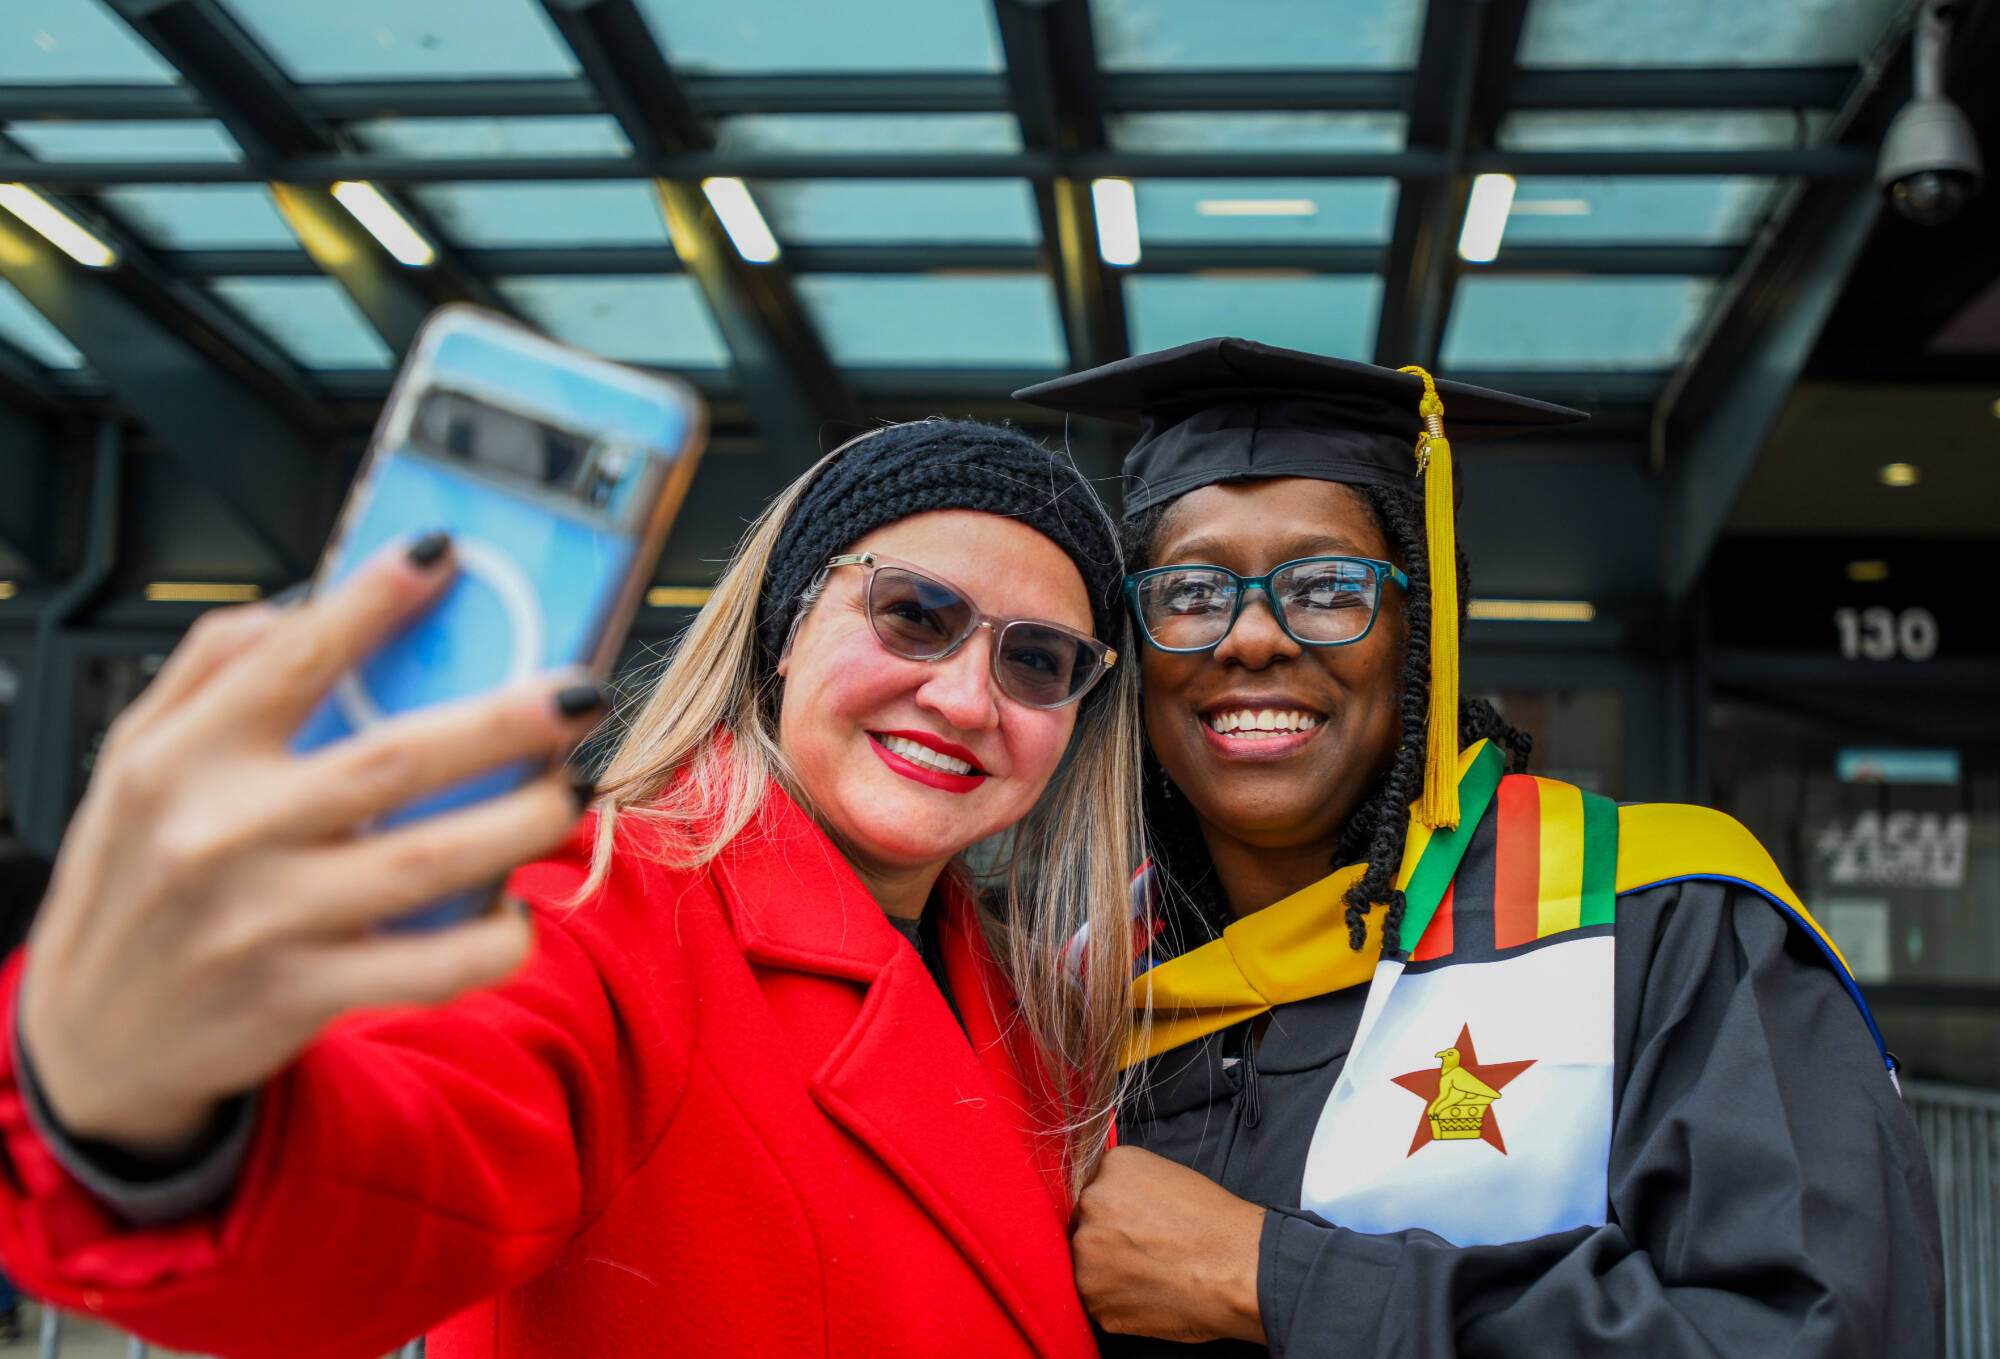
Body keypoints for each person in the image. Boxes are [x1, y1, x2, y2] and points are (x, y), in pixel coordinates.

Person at [0, 419, 1144, 1359]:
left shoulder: (1033, 1006)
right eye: (915, 615)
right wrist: (137, 1111)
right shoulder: (592, 908)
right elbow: (373, 1193)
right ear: (786, 628)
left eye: (1035, 661)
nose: (964, 698)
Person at [1014, 338, 1945, 1357]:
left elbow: (1813, 1332)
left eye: (1328, 585)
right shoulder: (1076, 981)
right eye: (1189, 592)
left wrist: (1273, 1279)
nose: (1251, 635)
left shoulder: (1658, 920)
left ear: (1423, 630)